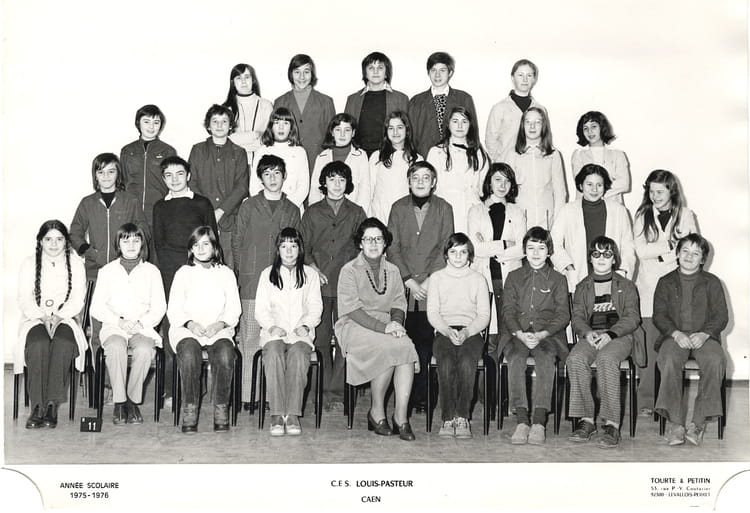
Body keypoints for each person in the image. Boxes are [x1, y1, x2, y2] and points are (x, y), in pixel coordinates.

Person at [335, 218, 419, 441]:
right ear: (360, 243)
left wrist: (396, 323)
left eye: (378, 239)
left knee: (405, 345)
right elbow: (352, 309)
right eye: (368, 239)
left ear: (385, 243)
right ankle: (377, 410)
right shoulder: (349, 270)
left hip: (387, 324)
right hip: (355, 324)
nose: (373, 244)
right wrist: (385, 328)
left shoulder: (393, 270)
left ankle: (401, 417)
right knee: (387, 345)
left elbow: (399, 302)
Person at [232, 154, 301, 406]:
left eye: (277, 173)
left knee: (276, 340)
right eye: (267, 174)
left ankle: (274, 398)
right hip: (251, 282)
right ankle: (248, 395)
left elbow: (295, 248)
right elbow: (237, 241)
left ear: (284, 176)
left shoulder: (292, 209)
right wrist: (241, 273)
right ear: (260, 178)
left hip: (280, 286)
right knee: (250, 339)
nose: (272, 178)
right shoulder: (249, 206)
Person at [387, 161, 454, 413]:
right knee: (405, 341)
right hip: (403, 286)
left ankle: (426, 396)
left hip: (431, 286)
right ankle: (405, 398)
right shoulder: (397, 207)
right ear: (409, 181)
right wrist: (408, 279)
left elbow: (446, 246)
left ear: (434, 182)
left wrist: (427, 280)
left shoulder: (444, 208)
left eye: (427, 177)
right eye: (416, 177)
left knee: (426, 343)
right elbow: (391, 246)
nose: (421, 182)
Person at [300, 161, 367, 410]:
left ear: (347, 183)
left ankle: (338, 393)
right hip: (318, 283)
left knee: (344, 338)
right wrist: (313, 268)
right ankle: (321, 390)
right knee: (320, 337)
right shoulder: (312, 212)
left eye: (341, 180)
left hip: (347, 285)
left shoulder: (357, 212)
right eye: (332, 179)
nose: (337, 185)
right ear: (324, 183)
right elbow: (302, 245)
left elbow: (364, 247)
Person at [567, 237, 644, 448]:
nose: (601, 258)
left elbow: (632, 317)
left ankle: (612, 424)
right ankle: (587, 420)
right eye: (596, 254)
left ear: (614, 259)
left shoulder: (626, 286)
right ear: (590, 259)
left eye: (607, 254)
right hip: (592, 335)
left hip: (619, 335)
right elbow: (577, 317)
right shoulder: (582, 286)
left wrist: (611, 333)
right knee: (575, 358)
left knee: (607, 358)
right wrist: (587, 332)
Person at [152, 156, 217, 404]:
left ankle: (195, 388)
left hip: (199, 273)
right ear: (163, 179)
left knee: (199, 327)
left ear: (188, 175)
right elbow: (159, 245)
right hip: (170, 275)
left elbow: (212, 241)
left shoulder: (202, 203)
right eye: (169, 175)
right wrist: (168, 278)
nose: (175, 179)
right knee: (173, 330)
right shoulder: (160, 207)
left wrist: (204, 271)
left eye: (180, 173)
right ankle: (170, 390)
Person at [633, 170, 698, 415]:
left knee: (672, 349)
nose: (655, 196)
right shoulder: (642, 215)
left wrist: (660, 254)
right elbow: (640, 251)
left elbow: (690, 250)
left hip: (676, 290)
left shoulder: (686, 215)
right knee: (649, 348)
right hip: (648, 289)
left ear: (671, 191)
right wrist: (670, 246)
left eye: (660, 191)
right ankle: (646, 402)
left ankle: (667, 403)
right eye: (651, 191)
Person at [654, 234, 727, 446]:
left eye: (696, 253)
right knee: (669, 360)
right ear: (677, 253)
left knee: (715, 360)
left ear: (703, 259)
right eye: (685, 251)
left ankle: (697, 423)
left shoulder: (712, 282)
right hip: (674, 336)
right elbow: (659, 315)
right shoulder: (665, 282)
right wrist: (676, 333)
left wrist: (704, 334)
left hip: (704, 337)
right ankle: (676, 424)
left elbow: (721, 316)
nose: (689, 256)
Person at [90, 223, 166, 425]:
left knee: (144, 350)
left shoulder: (152, 272)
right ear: (118, 244)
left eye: (136, 240)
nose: (131, 245)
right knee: (115, 347)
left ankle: (132, 401)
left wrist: (141, 323)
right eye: (126, 241)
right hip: (115, 326)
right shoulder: (107, 271)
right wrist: (119, 322)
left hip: (143, 327)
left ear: (142, 244)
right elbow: (96, 307)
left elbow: (159, 307)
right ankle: (119, 401)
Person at [500, 227, 569, 445]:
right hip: (518, 334)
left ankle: (539, 421)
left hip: (547, 335)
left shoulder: (558, 279)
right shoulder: (513, 277)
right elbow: (507, 310)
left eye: (541, 248)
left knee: (546, 359)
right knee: (515, 358)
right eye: (531, 248)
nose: (536, 253)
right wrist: (520, 333)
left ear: (549, 251)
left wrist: (542, 334)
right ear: (524, 251)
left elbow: (562, 315)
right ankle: (522, 420)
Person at [168, 226, 241, 433]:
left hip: (218, 329)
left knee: (226, 354)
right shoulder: (183, 273)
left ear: (214, 247)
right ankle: (190, 408)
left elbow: (234, 308)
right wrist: (190, 324)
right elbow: (174, 309)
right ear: (191, 249)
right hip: (187, 329)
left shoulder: (226, 273)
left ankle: (221, 407)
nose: (200, 249)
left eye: (205, 244)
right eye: (196, 245)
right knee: (189, 354)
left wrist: (220, 324)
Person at [15, 220, 86, 429]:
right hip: (35, 318)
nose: (54, 244)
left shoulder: (76, 264)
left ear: (66, 241)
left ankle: (52, 405)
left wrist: (59, 317)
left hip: (66, 318)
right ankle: (37, 406)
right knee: (38, 344)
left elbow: (78, 298)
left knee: (64, 343)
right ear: (40, 241)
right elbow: (24, 298)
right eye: (48, 239)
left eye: (59, 239)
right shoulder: (29, 263)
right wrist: (42, 317)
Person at [254, 228, 323, 436]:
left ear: (300, 248)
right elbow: (261, 309)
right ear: (278, 250)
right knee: (274, 353)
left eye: (293, 246)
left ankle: (292, 413)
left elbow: (315, 306)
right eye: (284, 246)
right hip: (274, 332)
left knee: (299, 355)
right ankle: (277, 413)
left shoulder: (310, 274)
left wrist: (307, 325)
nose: (289, 251)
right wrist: (271, 326)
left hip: (300, 333)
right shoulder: (267, 274)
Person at [426, 233, 490, 438]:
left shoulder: (478, 279)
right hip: (444, 331)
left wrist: (467, 331)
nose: (458, 256)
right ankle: (447, 418)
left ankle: (462, 416)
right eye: (453, 252)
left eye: (463, 252)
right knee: (445, 362)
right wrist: (447, 330)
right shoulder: (437, 278)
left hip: (471, 332)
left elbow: (484, 316)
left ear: (470, 255)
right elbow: (433, 313)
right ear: (446, 255)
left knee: (466, 362)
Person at [467, 163, 526, 352]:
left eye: (507, 181)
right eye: (498, 179)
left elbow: (522, 248)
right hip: (484, 272)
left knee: (508, 330)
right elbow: (475, 248)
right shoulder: (476, 211)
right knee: (489, 333)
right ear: (489, 183)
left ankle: (506, 369)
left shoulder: (517, 211)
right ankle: (491, 369)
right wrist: (504, 244)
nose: (502, 185)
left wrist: (492, 249)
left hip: (509, 273)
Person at [551, 164, 635, 291]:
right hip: (578, 277)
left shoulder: (619, 210)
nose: (594, 189)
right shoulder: (567, 211)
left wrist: (622, 272)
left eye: (599, 185)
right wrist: (568, 268)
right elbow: (554, 244)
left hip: (611, 279)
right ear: (581, 186)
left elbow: (628, 247)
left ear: (605, 187)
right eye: (589, 184)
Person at [70, 153, 151, 283]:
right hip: (95, 270)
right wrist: (92, 253)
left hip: (126, 269)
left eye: (111, 171)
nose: (106, 176)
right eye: (101, 172)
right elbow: (75, 233)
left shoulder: (131, 201)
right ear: (95, 175)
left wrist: (129, 253)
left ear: (118, 174)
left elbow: (144, 231)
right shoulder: (87, 203)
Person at [188, 103, 249, 269]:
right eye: (215, 121)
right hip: (203, 220)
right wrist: (208, 211)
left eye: (224, 121)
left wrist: (220, 211)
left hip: (229, 221)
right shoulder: (197, 150)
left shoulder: (239, 152)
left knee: (228, 266)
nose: (220, 125)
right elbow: (192, 183)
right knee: (203, 266)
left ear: (231, 126)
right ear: (208, 126)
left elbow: (242, 187)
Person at [501, 106, 566, 230]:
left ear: (543, 126)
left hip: (546, 221)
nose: (532, 126)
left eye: (537, 122)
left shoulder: (553, 154)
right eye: (528, 122)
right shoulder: (512, 154)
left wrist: (558, 225)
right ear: (522, 125)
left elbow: (560, 192)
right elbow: (506, 191)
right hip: (520, 222)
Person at [426, 107, 489, 233]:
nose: (460, 126)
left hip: (472, 212)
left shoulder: (479, 153)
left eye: (464, 121)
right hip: (446, 211)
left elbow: (484, 187)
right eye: (455, 121)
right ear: (448, 124)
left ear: (470, 125)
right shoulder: (436, 152)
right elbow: (431, 187)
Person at [273, 54, 336, 179]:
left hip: (317, 162)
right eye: (297, 72)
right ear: (291, 74)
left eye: (306, 72)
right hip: (288, 163)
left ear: (312, 74)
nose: (302, 77)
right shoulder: (280, 102)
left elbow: (331, 138)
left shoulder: (326, 102)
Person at [407, 52, 477, 159]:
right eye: (433, 70)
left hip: (458, 159)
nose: (437, 75)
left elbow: (472, 133)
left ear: (450, 73)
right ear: (428, 72)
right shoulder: (416, 102)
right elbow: (410, 137)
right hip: (425, 159)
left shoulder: (464, 99)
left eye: (442, 70)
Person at [120, 104, 177, 230]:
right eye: (146, 122)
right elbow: (122, 182)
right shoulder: (127, 151)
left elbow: (173, 184)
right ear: (138, 123)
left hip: (159, 213)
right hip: (131, 214)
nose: (151, 127)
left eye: (156, 122)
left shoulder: (168, 151)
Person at [344, 52, 409, 157]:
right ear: (365, 73)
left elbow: (406, 133)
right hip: (360, 156)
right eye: (371, 68)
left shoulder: (401, 99)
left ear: (386, 73)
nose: (375, 72)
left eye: (380, 68)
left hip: (391, 155)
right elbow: (347, 130)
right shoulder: (353, 99)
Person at [249, 107, 309, 212]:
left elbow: (303, 186)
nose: (281, 127)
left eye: (285, 123)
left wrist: (288, 208)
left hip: (292, 208)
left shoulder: (299, 152)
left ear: (291, 127)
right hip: (266, 209)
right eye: (277, 123)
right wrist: (266, 207)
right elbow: (254, 186)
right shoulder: (262, 151)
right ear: (271, 126)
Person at [308, 113, 371, 212]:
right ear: (332, 132)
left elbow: (365, 190)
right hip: (325, 213)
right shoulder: (322, 157)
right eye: (338, 130)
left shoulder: (361, 156)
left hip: (352, 213)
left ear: (353, 133)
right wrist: (316, 213)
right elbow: (315, 189)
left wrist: (358, 215)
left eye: (347, 130)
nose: (342, 134)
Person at [485, 59, 544, 162]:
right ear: (513, 78)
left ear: (534, 79)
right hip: (507, 165)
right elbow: (490, 140)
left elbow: (543, 138)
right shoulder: (500, 108)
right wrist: (500, 162)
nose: (525, 79)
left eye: (529, 75)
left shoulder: (540, 109)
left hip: (532, 164)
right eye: (520, 75)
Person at [369, 110, 421, 224]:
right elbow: (370, 189)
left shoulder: (417, 159)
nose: (395, 132)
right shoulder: (376, 157)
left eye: (400, 127)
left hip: (406, 218)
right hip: (380, 215)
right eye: (391, 128)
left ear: (407, 130)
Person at [571, 111, 630, 203]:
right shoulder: (578, 154)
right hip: (586, 206)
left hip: (612, 205)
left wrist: (595, 190)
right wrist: (609, 184)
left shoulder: (618, 154)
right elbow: (580, 183)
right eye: (585, 128)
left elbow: (624, 184)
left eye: (593, 126)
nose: (589, 131)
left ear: (602, 127)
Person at [223, 63, 273, 167]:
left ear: (253, 80)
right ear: (233, 82)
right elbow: (225, 140)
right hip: (232, 165)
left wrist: (238, 141)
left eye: (247, 77)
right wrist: (255, 134)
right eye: (238, 78)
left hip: (260, 164)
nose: (243, 81)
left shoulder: (266, 105)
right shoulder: (227, 108)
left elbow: (269, 138)